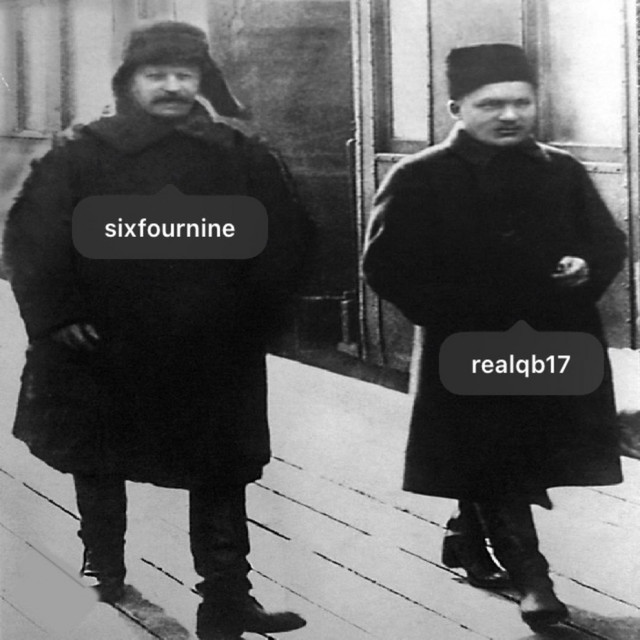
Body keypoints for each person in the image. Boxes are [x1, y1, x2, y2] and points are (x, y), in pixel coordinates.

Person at [3, 21, 311, 640]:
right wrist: (59, 316)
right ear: (129, 82)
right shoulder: (80, 154)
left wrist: (258, 316)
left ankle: (227, 597)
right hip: (103, 342)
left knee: (221, 464)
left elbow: (288, 242)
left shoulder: (240, 156)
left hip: (211, 346)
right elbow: (32, 240)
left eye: (184, 75)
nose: (172, 86)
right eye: (156, 75)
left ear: (202, 81)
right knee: (98, 453)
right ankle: (102, 563)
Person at [363, 44, 626, 631]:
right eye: (490, 104)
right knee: (497, 453)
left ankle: (466, 534)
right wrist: (449, 311)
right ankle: (534, 579)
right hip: (468, 345)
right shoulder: (421, 176)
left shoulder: (561, 171)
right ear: (456, 108)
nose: (509, 115)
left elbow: (607, 242)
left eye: (521, 102)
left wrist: (585, 265)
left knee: (510, 451)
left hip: (550, 340)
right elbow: (385, 265)